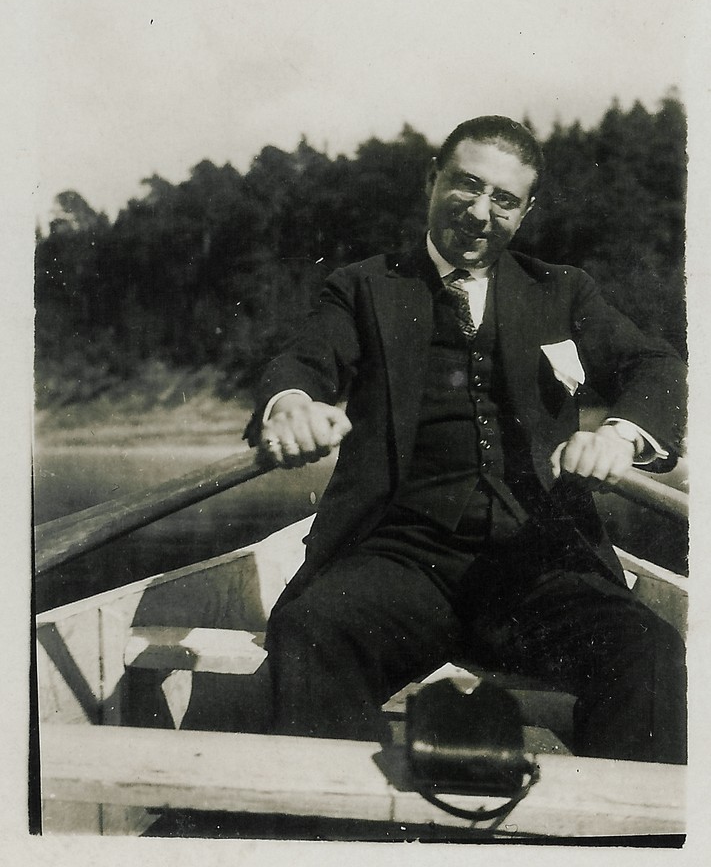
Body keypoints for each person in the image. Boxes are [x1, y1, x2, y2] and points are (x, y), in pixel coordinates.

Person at [245, 115, 687, 763]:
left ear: (525, 210)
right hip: (400, 558)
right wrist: (290, 406)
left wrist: (618, 435)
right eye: (465, 185)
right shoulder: (364, 286)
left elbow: (659, 367)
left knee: (648, 653)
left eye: (503, 199)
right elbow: (302, 364)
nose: (480, 212)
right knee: (309, 633)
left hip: (537, 562)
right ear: (431, 179)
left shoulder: (562, 290)